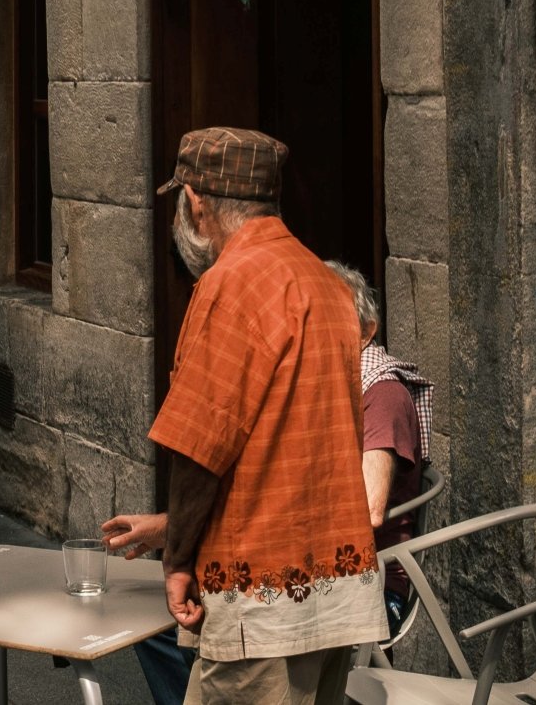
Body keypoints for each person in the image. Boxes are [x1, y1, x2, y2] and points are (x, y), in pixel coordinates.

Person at [146, 127, 386, 705]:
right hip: (336, 585)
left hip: (261, 592)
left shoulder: (230, 282)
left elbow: (200, 445)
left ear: (197, 202)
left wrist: (177, 558)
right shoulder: (324, 283)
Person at [324, 261, 434, 637]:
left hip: (372, 585)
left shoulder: (381, 392)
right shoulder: (328, 387)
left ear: (365, 332)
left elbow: (368, 509)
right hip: (327, 571)